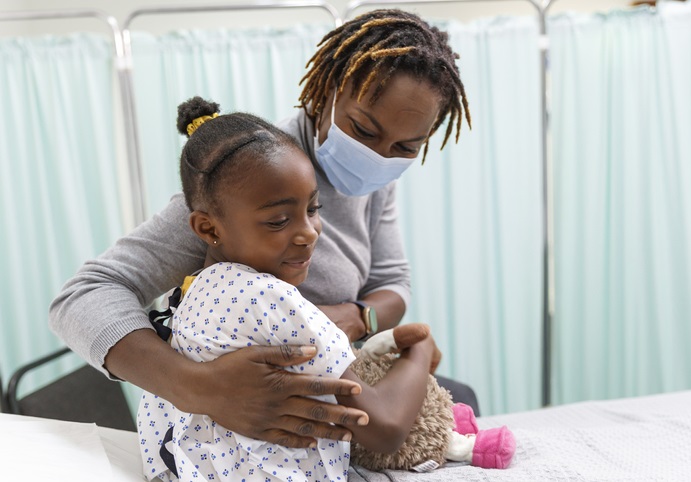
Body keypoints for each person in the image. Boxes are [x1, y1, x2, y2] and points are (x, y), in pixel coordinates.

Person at [49, 8, 477, 449]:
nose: (379, 156)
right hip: (254, 428)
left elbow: (393, 282)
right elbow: (82, 297)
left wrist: (355, 316)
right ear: (326, 91)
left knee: (461, 400)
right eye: (363, 130)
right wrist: (195, 386)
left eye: (406, 146)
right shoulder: (251, 180)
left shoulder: (375, 180)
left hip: (336, 383)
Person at [138, 97, 437, 481]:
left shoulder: (184, 300)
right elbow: (385, 427)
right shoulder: (271, 300)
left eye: (314, 209)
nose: (309, 233)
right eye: (279, 221)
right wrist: (421, 350)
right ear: (208, 229)